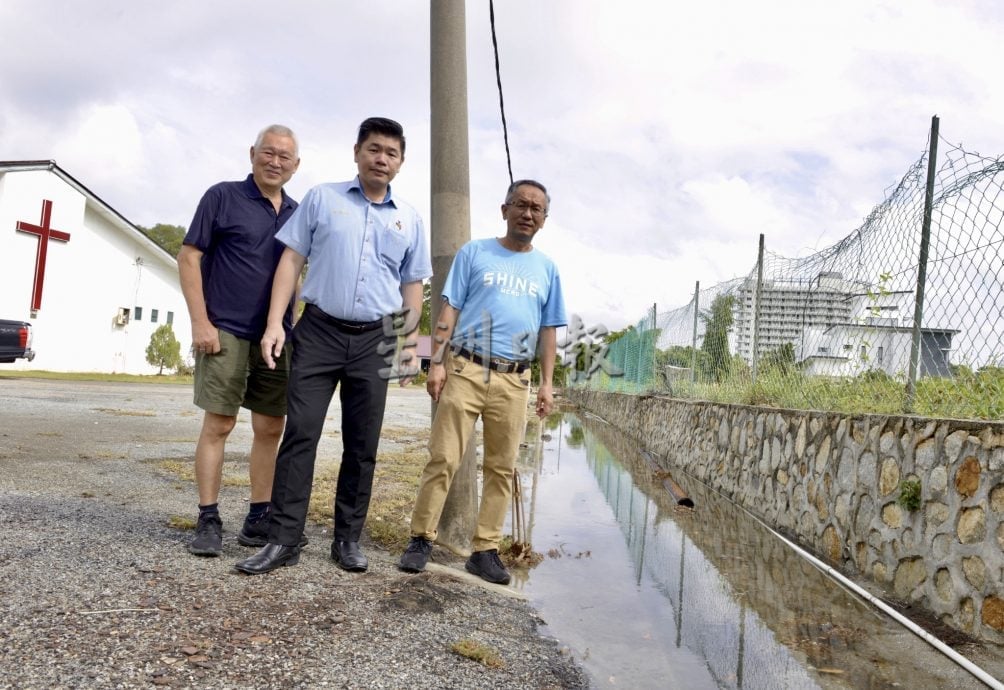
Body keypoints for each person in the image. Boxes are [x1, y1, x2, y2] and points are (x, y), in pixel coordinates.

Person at [235, 117, 431, 575]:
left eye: (391, 153)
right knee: (300, 433)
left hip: (376, 340)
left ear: (400, 163)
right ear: (357, 152)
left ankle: (347, 539)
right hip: (318, 332)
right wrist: (274, 324)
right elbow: (291, 260)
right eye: (374, 149)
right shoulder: (323, 199)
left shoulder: (410, 219)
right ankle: (283, 540)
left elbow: (414, 287)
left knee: (362, 445)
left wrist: (410, 346)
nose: (382, 159)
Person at [398, 179, 567, 585]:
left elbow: (548, 331)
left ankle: (485, 549)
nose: (528, 213)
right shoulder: (474, 253)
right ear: (504, 209)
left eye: (536, 209)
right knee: (444, 457)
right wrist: (435, 362)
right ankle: (421, 538)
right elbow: (448, 309)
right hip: (465, 369)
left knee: (501, 467)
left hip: (514, 380)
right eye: (521, 205)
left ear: (544, 219)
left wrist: (546, 384)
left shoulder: (547, 269)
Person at [178, 124, 301, 557]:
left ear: (296, 165)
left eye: (285, 157)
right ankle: (208, 517)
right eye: (268, 153)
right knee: (220, 423)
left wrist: (292, 326)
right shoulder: (222, 196)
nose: (275, 162)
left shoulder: (298, 212)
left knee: (270, 426)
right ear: (252, 153)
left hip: (275, 337)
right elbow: (189, 257)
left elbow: (296, 276)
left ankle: (258, 516)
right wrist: (200, 322)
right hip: (224, 328)